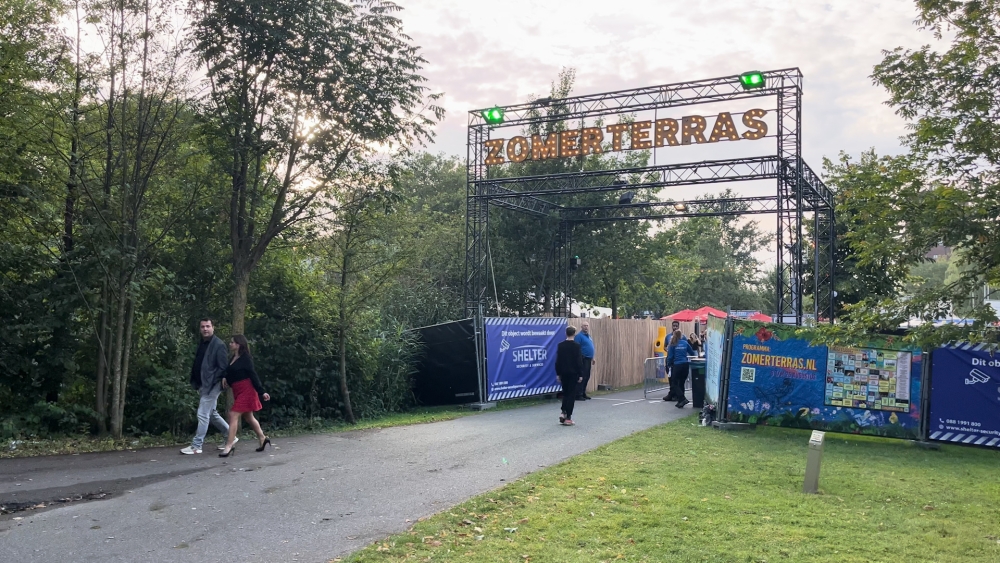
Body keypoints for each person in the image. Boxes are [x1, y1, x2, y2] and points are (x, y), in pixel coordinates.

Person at [181, 318, 230, 455]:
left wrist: (213, 382)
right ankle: (230, 436)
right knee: (212, 413)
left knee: (202, 413)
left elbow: (223, 367)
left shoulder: (218, 345)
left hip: (213, 385)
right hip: (203, 384)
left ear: (213, 327)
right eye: (202, 326)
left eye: (208, 326)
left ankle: (196, 446)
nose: (205, 329)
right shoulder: (203, 343)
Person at [218, 335, 271, 457]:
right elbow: (230, 371)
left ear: (238, 344)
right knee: (249, 417)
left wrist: (261, 392)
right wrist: (225, 377)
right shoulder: (234, 357)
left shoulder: (246, 358)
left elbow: (253, 375)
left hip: (247, 390)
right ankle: (263, 438)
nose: (230, 344)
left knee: (233, 414)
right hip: (237, 390)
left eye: (232, 342)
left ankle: (229, 445)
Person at [555, 325, 584, 426]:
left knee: (565, 392)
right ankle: (568, 417)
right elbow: (578, 361)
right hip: (573, 373)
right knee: (571, 394)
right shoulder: (576, 346)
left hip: (563, 372)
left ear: (566, 333)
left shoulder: (560, 345)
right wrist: (581, 374)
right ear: (574, 334)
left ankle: (563, 411)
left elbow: (558, 361)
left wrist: (558, 373)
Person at [666, 330, 695, 408]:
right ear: (681, 335)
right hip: (685, 364)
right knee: (681, 383)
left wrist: (669, 364)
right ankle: (680, 402)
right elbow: (692, 353)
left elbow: (670, 356)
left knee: (674, 383)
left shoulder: (673, 344)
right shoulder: (685, 343)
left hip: (677, 365)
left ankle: (682, 398)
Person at [574, 321, 596, 400]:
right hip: (583, 359)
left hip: (589, 359)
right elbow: (576, 348)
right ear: (581, 327)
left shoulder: (588, 336)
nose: (586, 327)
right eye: (584, 326)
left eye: (587, 326)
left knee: (587, 376)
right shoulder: (579, 336)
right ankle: (578, 394)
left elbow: (591, 347)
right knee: (581, 376)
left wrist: (593, 357)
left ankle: (583, 392)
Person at [663, 320, 683, 402]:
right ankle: (672, 393)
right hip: (669, 359)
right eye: (673, 326)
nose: (674, 327)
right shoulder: (668, 336)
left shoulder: (682, 337)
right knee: (670, 377)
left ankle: (677, 395)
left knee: (677, 379)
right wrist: (668, 349)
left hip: (677, 360)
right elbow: (664, 346)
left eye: (676, 326)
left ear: (678, 327)